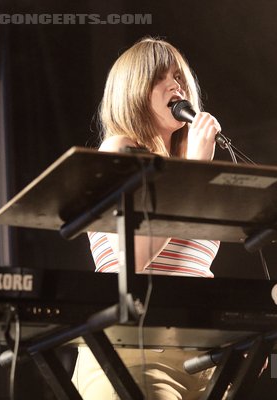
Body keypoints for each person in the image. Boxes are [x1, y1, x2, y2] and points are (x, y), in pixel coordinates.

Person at [71, 37, 222, 399]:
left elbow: (193, 271)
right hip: (135, 351)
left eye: (178, 77)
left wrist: (232, 335)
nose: (176, 85)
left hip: (201, 358)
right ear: (133, 91)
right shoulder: (120, 150)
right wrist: (194, 170)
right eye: (159, 77)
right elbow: (132, 259)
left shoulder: (190, 175)